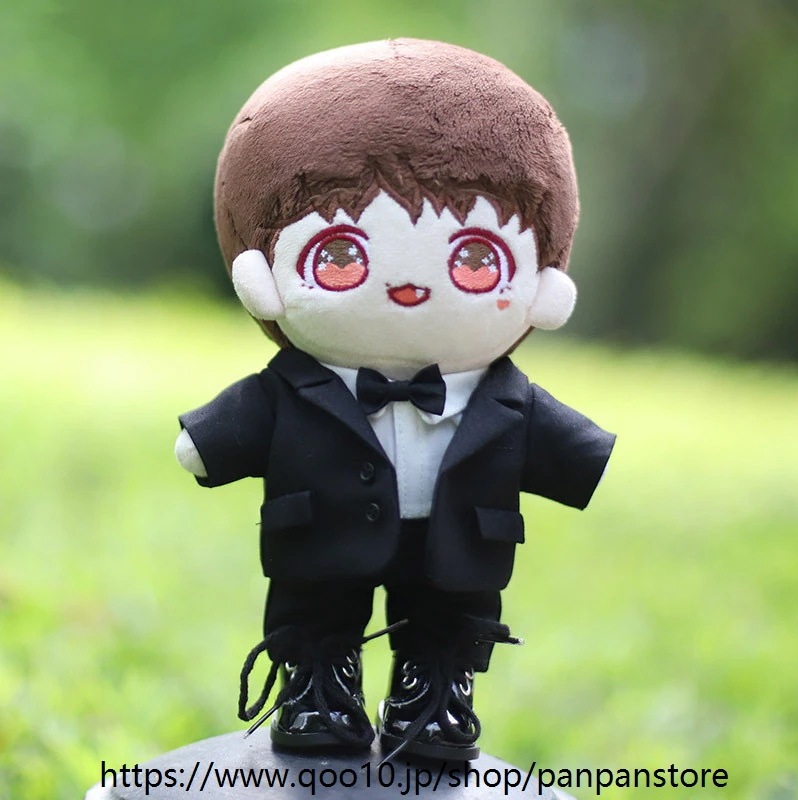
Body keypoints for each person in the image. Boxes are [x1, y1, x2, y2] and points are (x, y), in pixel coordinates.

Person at [175, 39, 615, 761]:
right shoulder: (290, 389)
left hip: (457, 546)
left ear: (543, 286)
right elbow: (223, 433)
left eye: (476, 260)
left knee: (448, 622)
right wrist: (207, 442)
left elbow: (575, 455)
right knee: (314, 614)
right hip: (320, 538)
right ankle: (318, 687)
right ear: (262, 276)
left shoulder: (508, 401)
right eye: (339, 256)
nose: (408, 288)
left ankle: (434, 695)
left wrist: (586, 458)